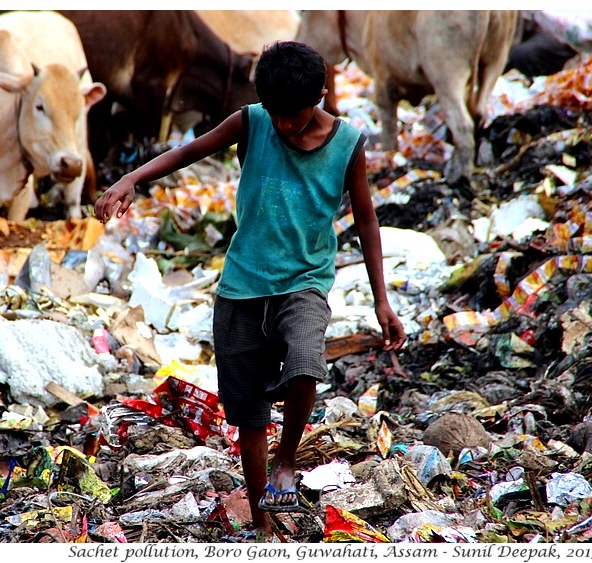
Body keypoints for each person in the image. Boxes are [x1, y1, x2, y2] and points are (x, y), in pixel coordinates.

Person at [95, 40, 406, 538]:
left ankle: (288, 460)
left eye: (294, 115)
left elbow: (367, 222)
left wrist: (382, 301)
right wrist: (132, 177)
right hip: (241, 287)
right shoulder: (253, 121)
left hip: (303, 281)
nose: (283, 125)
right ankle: (262, 522)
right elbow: (188, 151)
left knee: (306, 363)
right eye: (277, 114)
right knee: (249, 414)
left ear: (322, 95)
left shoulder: (348, 144)